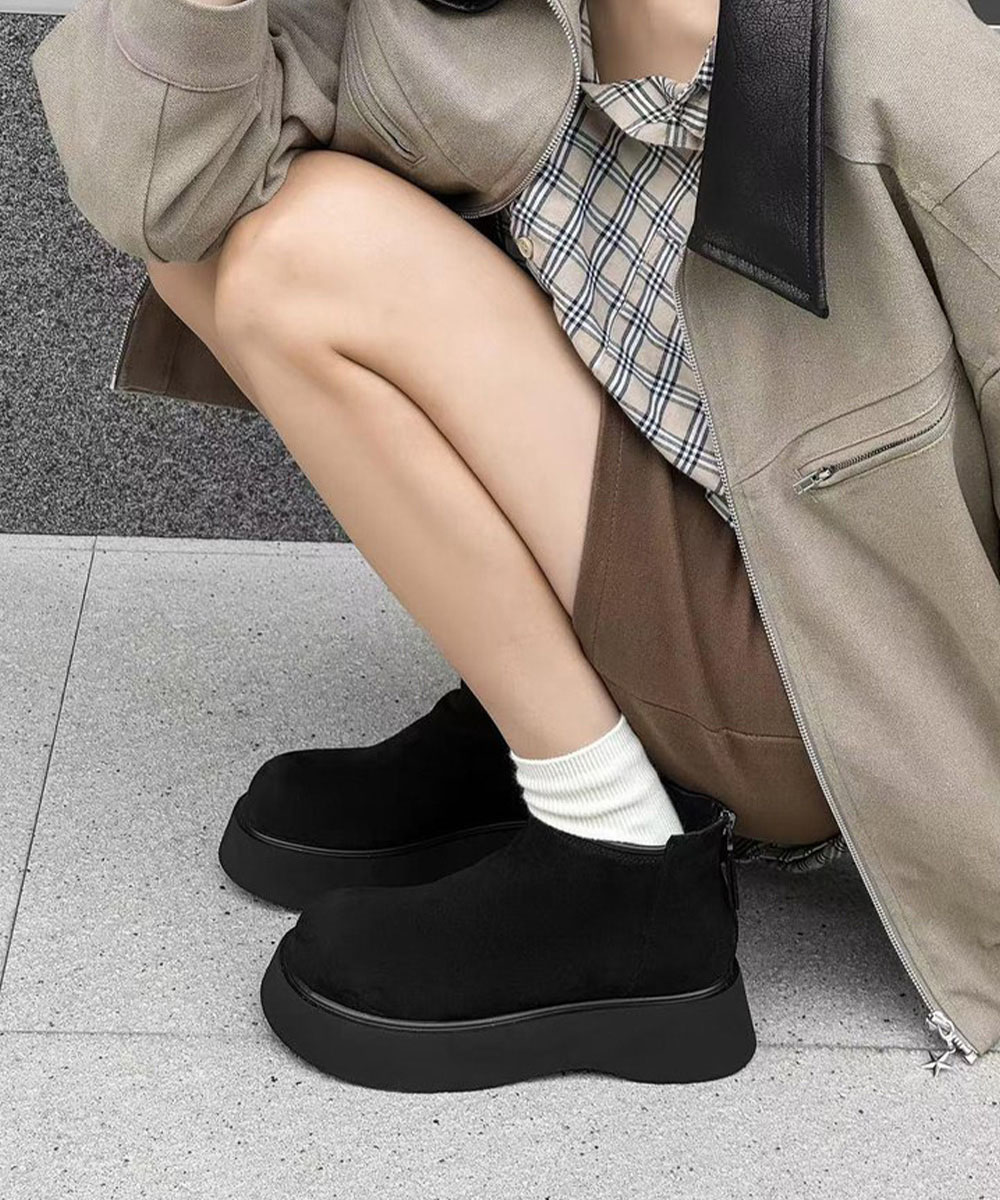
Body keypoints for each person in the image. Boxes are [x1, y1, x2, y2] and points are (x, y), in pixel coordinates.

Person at [32, 0, 1000, 1083]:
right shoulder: (451, 19)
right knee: (224, 228)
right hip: (671, 538)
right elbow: (163, 191)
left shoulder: (898, 54)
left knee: (302, 255)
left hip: (824, 682)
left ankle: (619, 853)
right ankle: (555, 718)